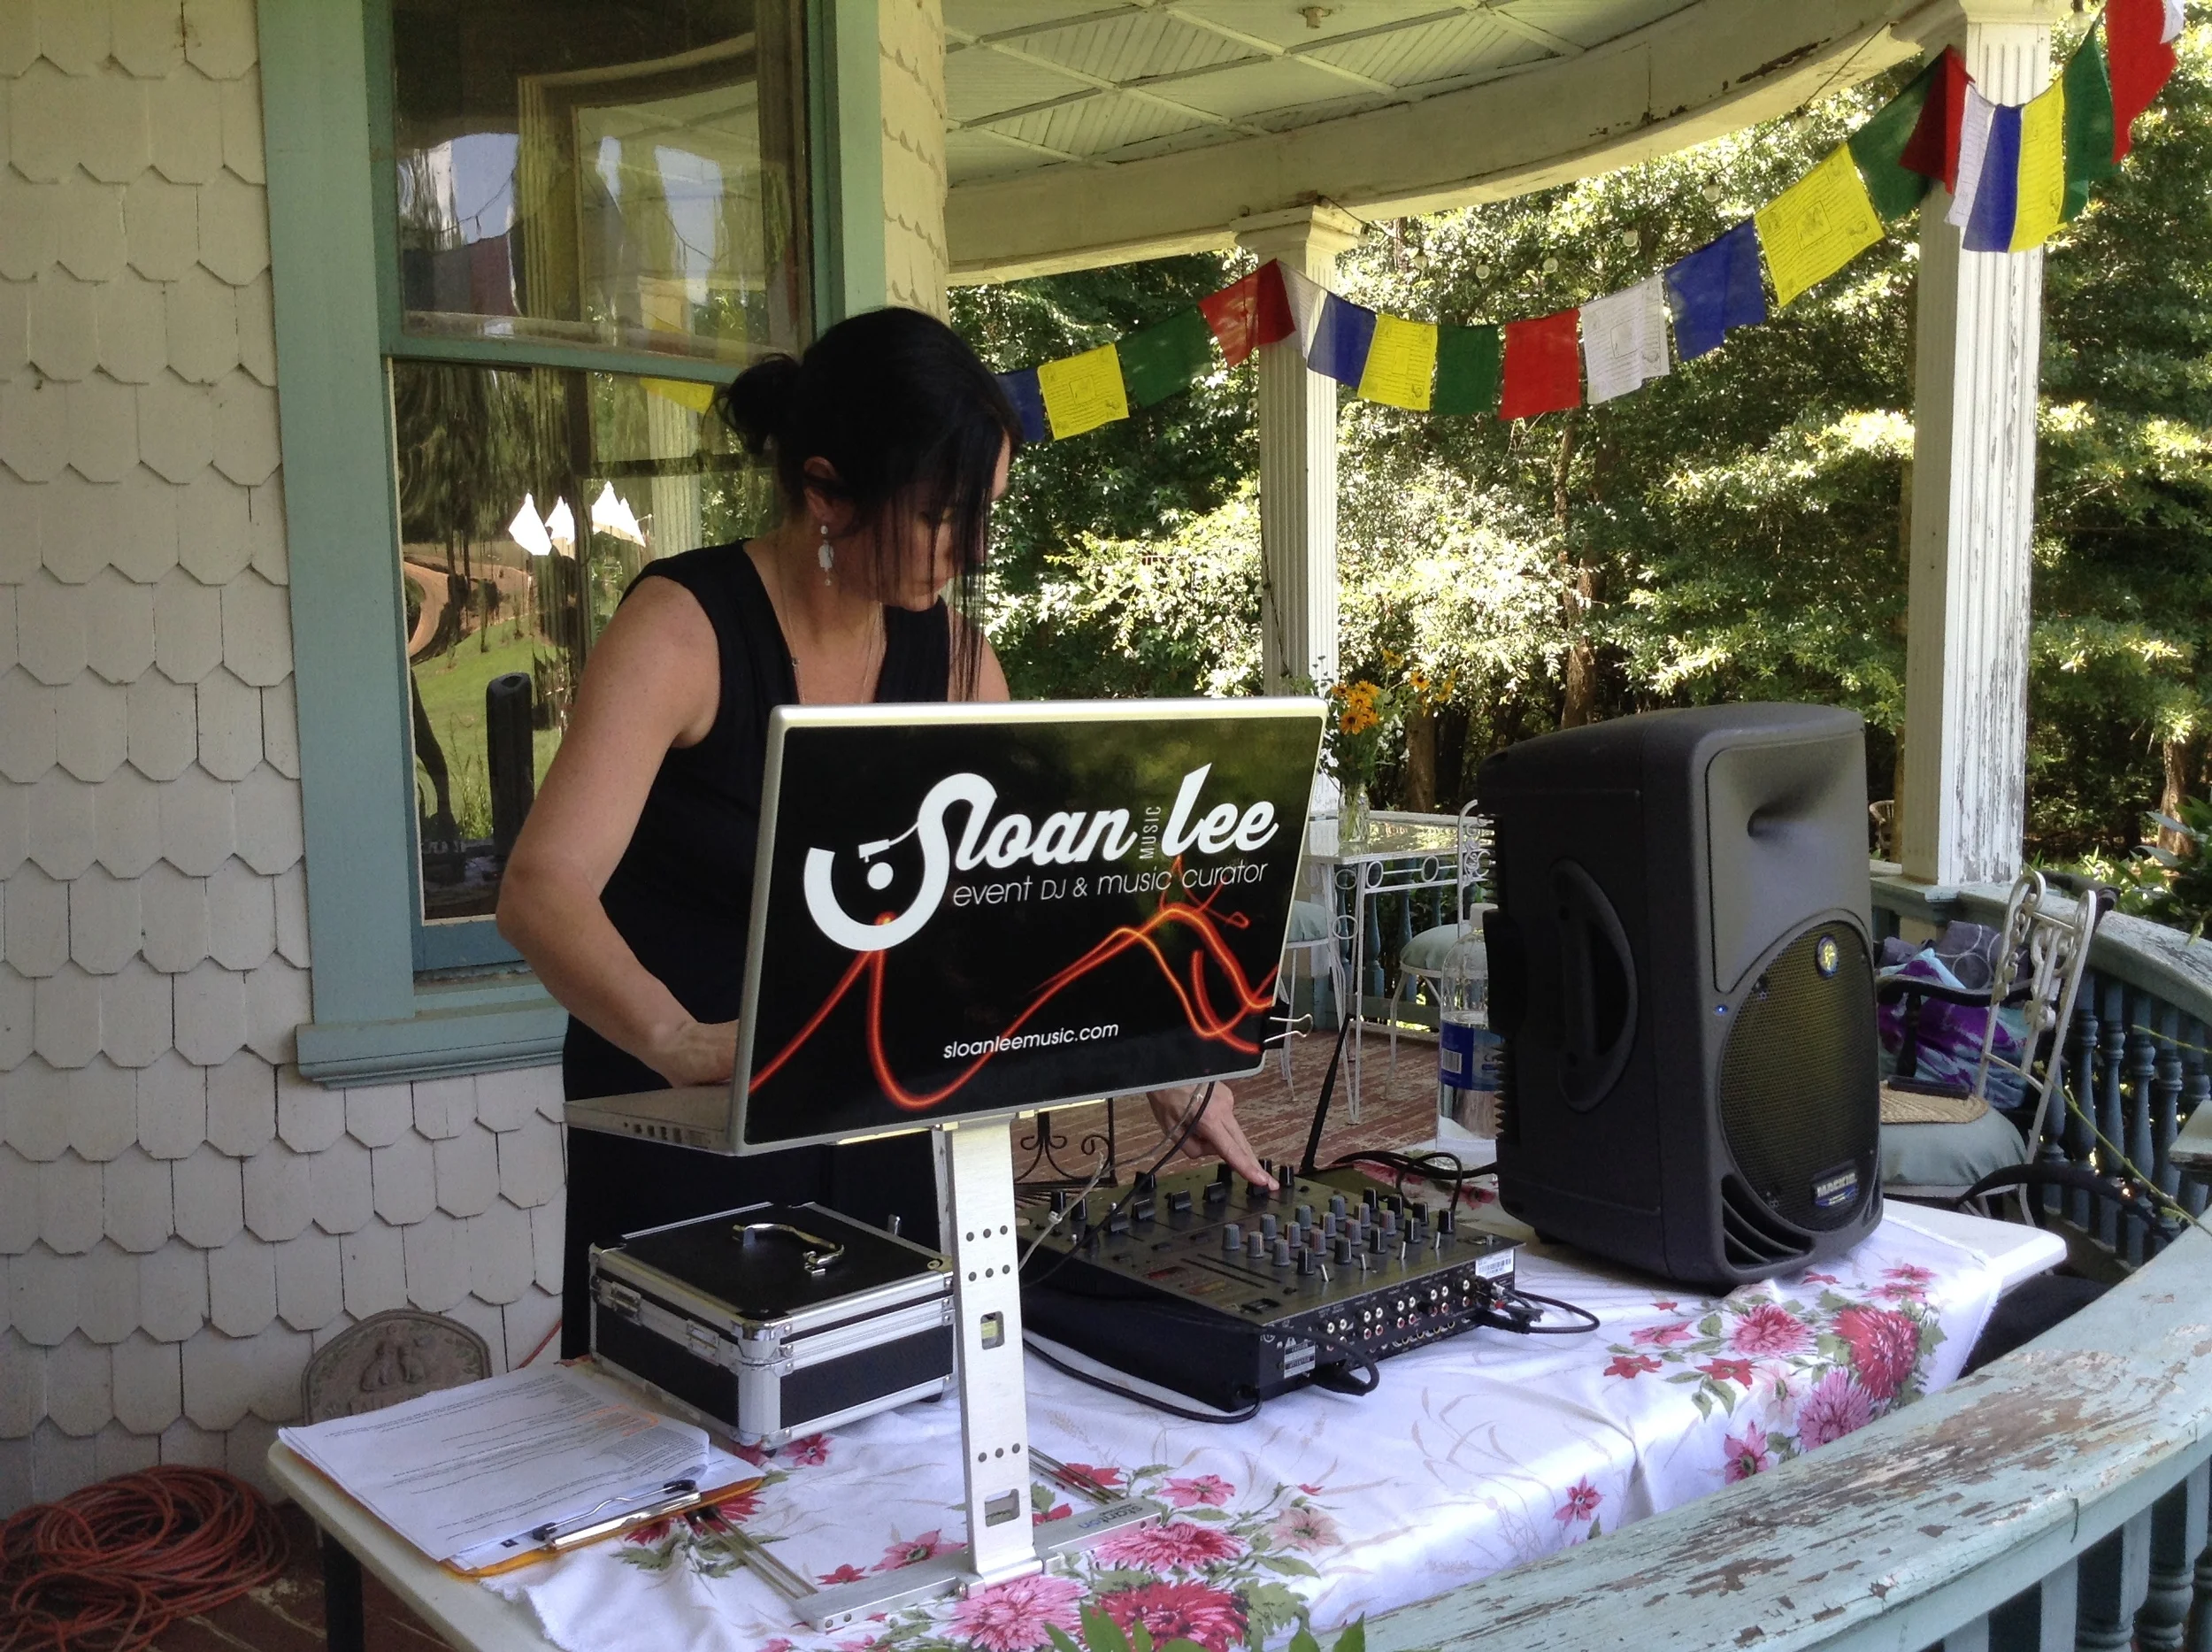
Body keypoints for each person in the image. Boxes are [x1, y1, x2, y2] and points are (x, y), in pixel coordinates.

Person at [498, 309, 1274, 1356]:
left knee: (884, 1399)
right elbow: (541, 888)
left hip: (883, 1112)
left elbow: (1030, 905)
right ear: (827, 491)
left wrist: (1161, 1058)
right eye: (941, 516)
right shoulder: (683, 628)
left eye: (984, 514)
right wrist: (676, 1039)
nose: (972, 550)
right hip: (690, 1121)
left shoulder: (958, 660)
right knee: (679, 1418)